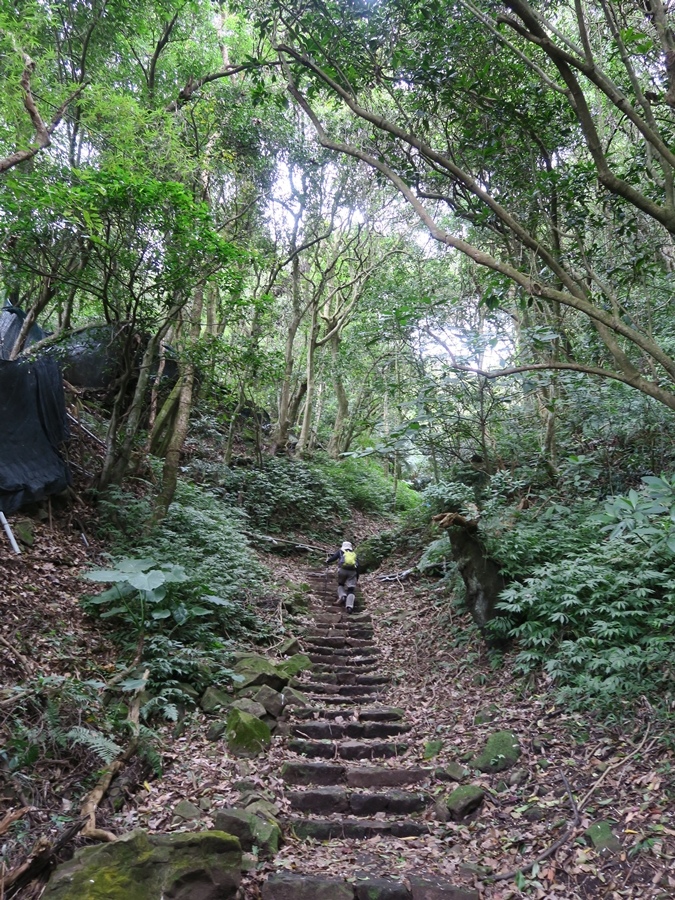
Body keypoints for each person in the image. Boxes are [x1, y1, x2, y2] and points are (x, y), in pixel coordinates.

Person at [326, 541, 359, 611]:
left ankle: (342, 595)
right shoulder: (353, 554)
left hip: (342, 570)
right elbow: (358, 566)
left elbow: (333, 558)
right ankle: (349, 606)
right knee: (351, 589)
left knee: (341, 584)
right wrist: (357, 577)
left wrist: (328, 561)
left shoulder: (340, 551)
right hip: (352, 572)